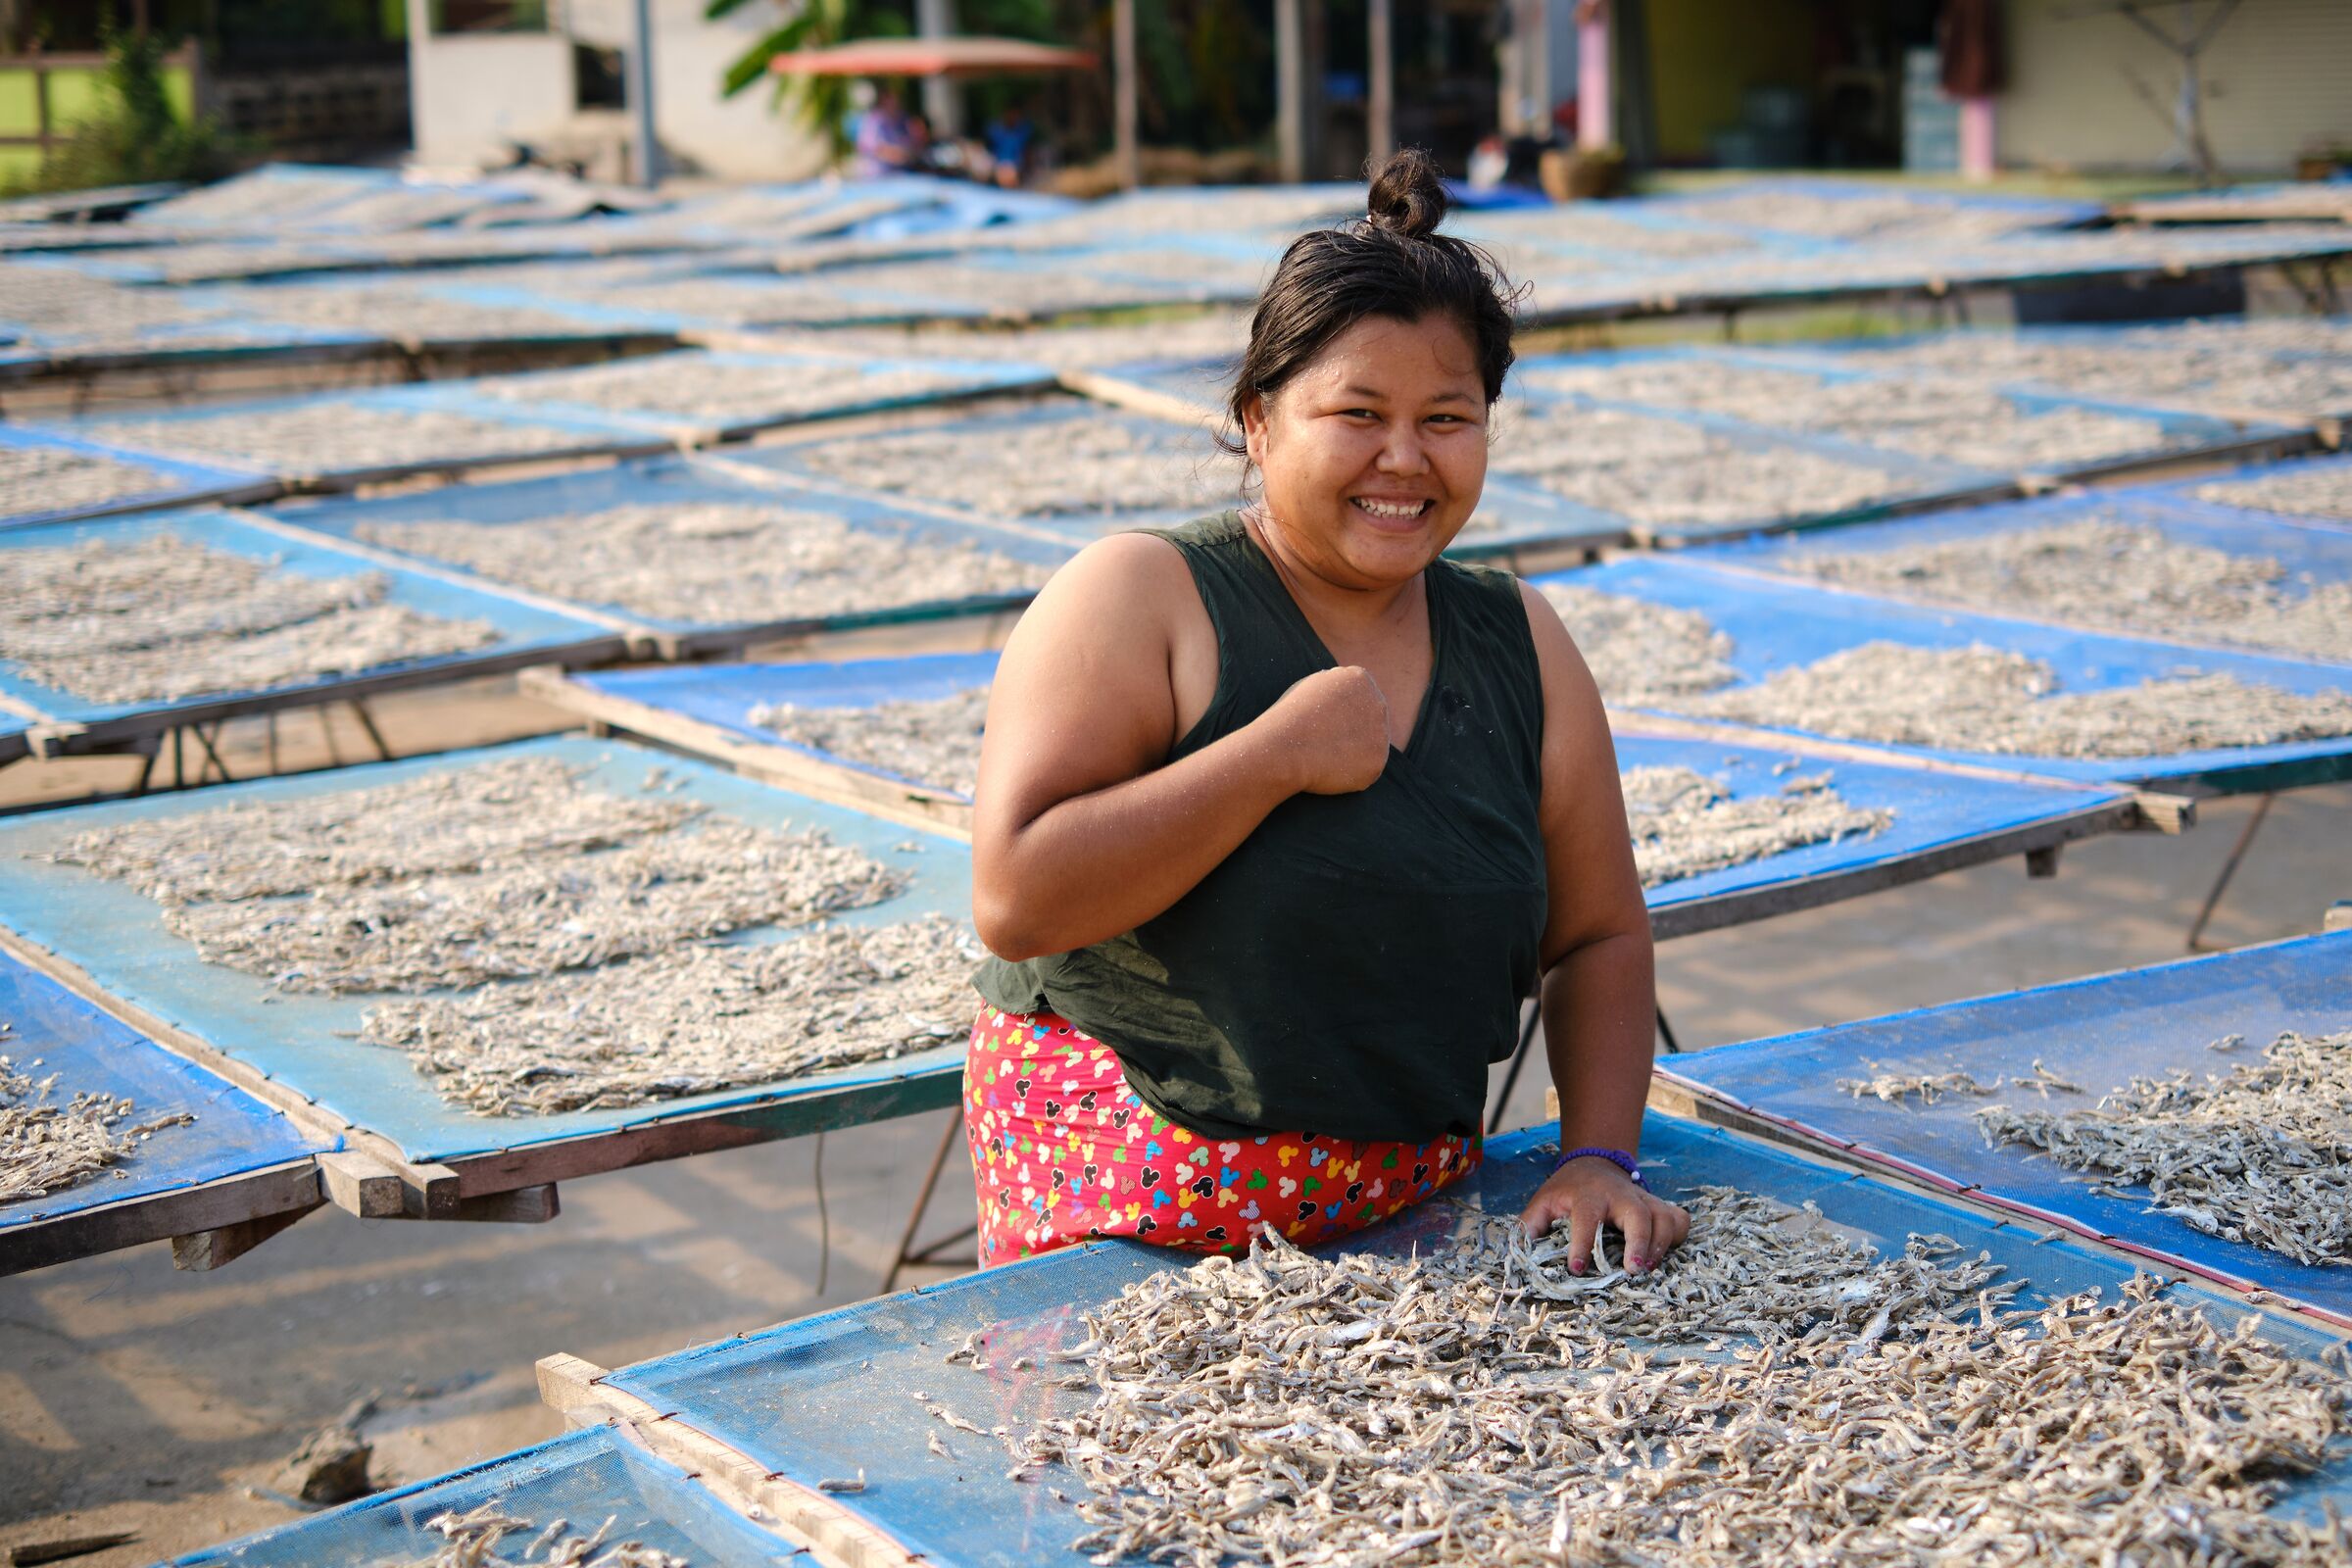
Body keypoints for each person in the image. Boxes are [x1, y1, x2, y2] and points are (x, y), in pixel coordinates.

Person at [964, 148, 1689, 1279]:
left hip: (1414, 1220)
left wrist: (1599, 1153)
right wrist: (1271, 756)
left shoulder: (1521, 640)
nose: (1404, 459)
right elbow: (1016, 897)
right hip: (1125, 1224)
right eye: (1356, 413)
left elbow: (1599, 933)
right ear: (1259, 421)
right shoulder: (1140, 596)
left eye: (1449, 418)